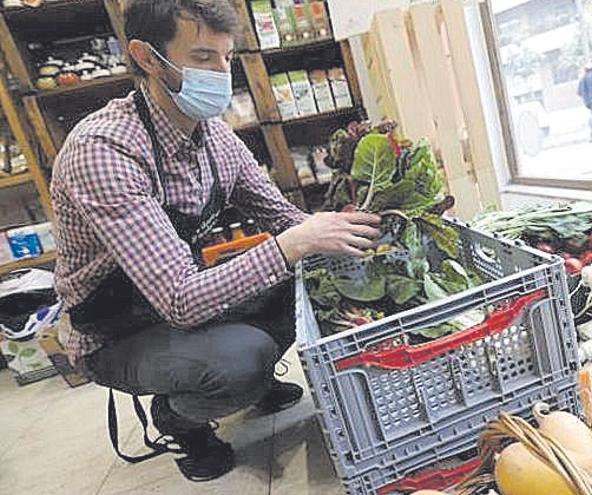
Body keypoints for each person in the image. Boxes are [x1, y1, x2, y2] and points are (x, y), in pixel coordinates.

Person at [51, 0, 381, 482]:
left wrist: (346, 229)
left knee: (305, 285)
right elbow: (182, 299)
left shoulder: (215, 138)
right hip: (116, 330)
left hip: (171, 299)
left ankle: (253, 376)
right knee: (239, 359)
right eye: (203, 58)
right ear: (147, 57)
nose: (221, 74)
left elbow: (284, 218)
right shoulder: (104, 151)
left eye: (227, 58)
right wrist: (294, 244)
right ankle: (180, 419)